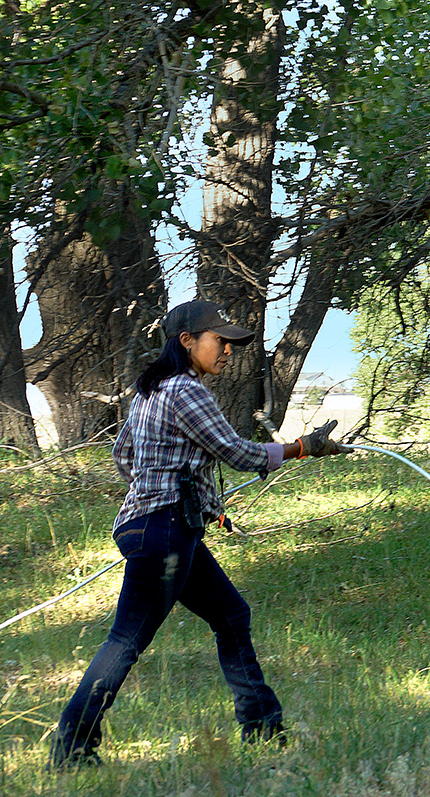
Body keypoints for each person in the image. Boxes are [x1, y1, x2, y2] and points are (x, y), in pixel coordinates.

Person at [48, 300, 349, 769]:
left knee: (231, 616)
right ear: (187, 341)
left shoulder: (152, 390)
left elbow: (123, 454)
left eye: (230, 342)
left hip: (154, 527)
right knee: (126, 640)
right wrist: (302, 448)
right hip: (165, 531)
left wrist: (178, 494)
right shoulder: (188, 391)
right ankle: (72, 747)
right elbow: (238, 453)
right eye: (219, 340)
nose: (228, 350)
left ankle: (263, 728)